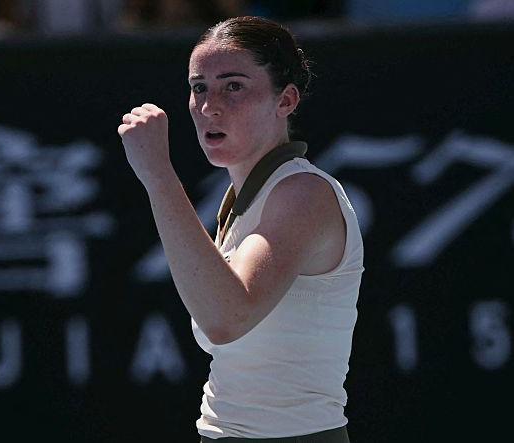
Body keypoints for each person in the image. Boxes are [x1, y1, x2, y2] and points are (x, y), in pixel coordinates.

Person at [117, 15, 364, 442]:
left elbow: (227, 318)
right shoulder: (240, 203)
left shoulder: (302, 193)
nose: (210, 106)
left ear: (285, 100)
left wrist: (158, 174)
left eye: (234, 86)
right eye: (199, 88)